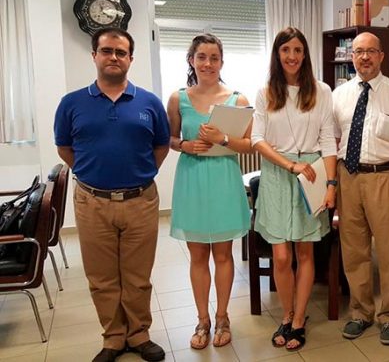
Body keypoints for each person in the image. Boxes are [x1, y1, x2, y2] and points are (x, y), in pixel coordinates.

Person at [54, 28, 169, 362]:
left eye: (121, 52)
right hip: (92, 202)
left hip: (140, 201)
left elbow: (161, 146)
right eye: (107, 51)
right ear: (94, 55)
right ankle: (114, 337)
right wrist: (94, 175)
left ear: (130, 58)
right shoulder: (72, 103)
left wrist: (139, 174)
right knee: (102, 278)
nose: (114, 57)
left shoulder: (149, 102)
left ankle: (139, 334)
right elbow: (64, 148)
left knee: (137, 276)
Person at [333, 32, 389, 346]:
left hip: (386, 177)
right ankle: (360, 313)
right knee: (354, 251)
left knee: (387, 252)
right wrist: (332, 183)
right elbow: (332, 141)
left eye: (371, 51)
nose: (364, 57)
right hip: (348, 177)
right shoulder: (339, 95)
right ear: (352, 56)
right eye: (358, 51)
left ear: (381, 56)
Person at [251, 27, 337, 351]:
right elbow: (257, 139)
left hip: (312, 173)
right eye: (286, 50)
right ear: (277, 54)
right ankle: (286, 314)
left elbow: (328, 140)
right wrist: (289, 165)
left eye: (298, 50)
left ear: (305, 54)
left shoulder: (321, 91)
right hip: (278, 173)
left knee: (305, 251)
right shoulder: (265, 93)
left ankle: (299, 320)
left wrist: (331, 184)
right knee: (282, 255)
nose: (292, 56)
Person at [166, 33, 252, 349]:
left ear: (221, 62)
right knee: (198, 255)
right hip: (192, 180)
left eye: (214, 58)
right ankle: (202, 319)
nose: (208, 63)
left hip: (224, 180)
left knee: (223, 254)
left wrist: (222, 139)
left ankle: (223, 317)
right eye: (201, 57)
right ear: (192, 60)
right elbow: (169, 139)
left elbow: (248, 144)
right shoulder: (178, 99)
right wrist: (185, 145)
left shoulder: (237, 100)